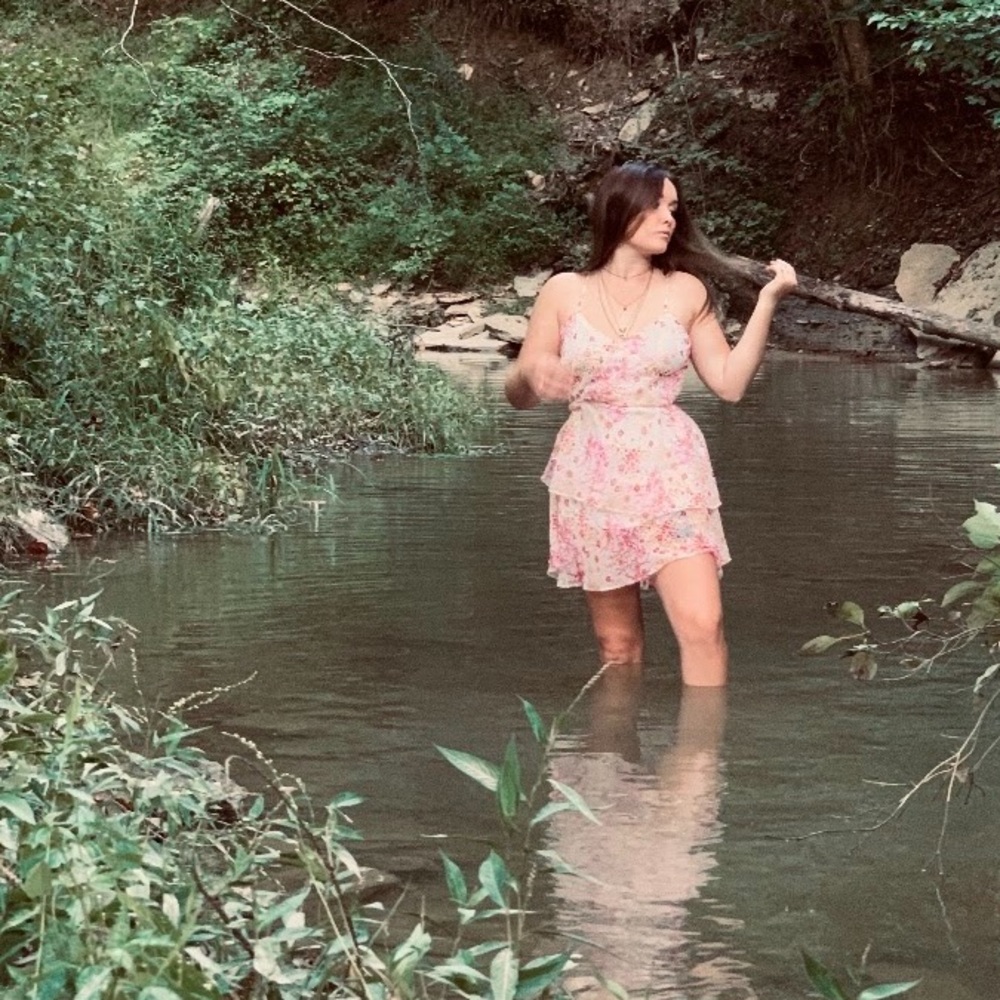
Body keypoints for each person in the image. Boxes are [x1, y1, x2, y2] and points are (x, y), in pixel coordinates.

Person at [504, 161, 797, 686]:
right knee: (617, 647)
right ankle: (616, 758)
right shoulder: (563, 290)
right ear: (620, 209)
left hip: (671, 472)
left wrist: (766, 302)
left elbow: (729, 385)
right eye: (658, 205)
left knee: (704, 626)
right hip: (591, 475)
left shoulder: (687, 290)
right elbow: (519, 396)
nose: (669, 218)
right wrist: (531, 371)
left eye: (674, 208)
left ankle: (702, 759)